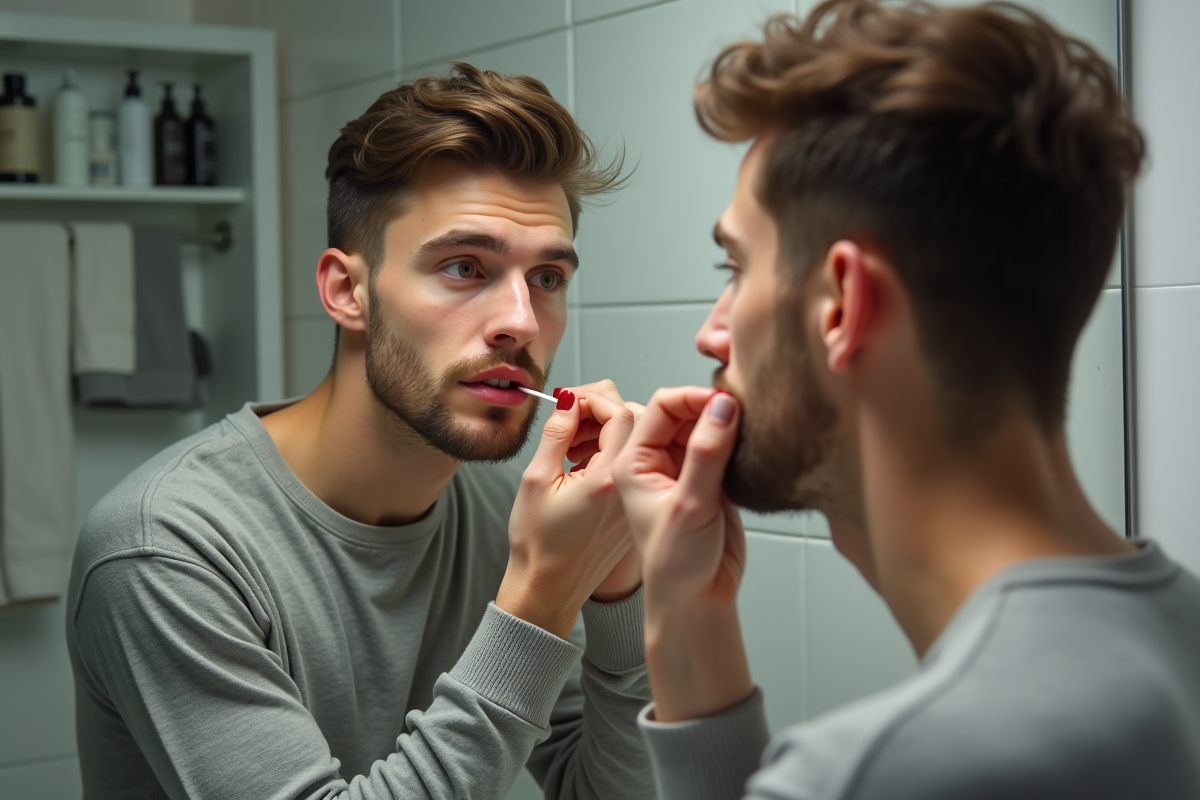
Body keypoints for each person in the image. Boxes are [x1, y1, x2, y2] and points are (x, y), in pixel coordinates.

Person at [612, 2, 1200, 798]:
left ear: (843, 306)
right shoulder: (1176, 638)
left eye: (736, 271)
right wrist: (685, 611)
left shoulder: (872, 774)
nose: (711, 337)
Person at [67, 64, 653, 800]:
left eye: (547, 278)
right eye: (465, 267)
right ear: (348, 291)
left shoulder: (511, 510)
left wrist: (618, 584)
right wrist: (538, 597)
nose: (522, 322)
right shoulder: (164, 546)